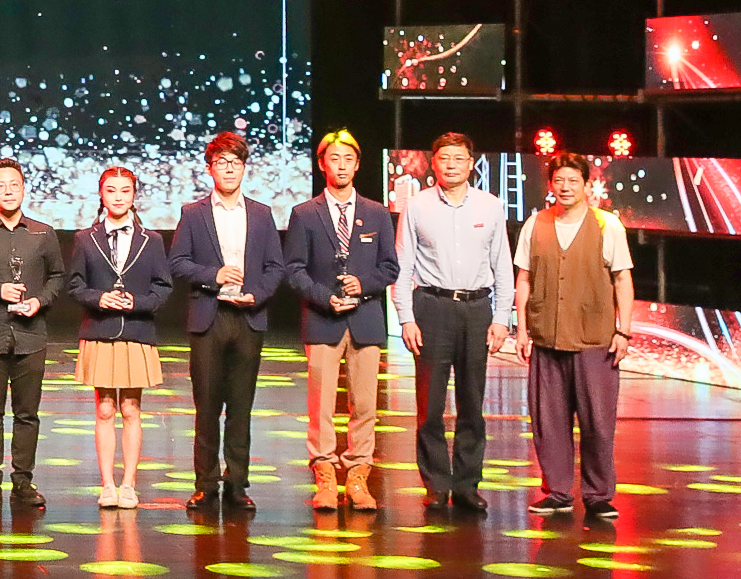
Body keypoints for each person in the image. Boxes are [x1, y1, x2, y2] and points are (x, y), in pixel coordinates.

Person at [393, 131, 514, 514]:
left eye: (459, 158)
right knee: (429, 405)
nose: (451, 165)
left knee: (472, 403)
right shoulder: (417, 206)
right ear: (433, 162)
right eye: (444, 158)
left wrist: (502, 318)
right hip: (432, 306)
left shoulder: (490, 206)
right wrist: (406, 318)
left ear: (471, 164)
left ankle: (466, 485)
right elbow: (403, 266)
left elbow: (503, 265)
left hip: (476, 308)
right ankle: (436, 485)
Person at [168, 131, 286, 513]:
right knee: (206, 408)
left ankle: (237, 484)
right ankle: (205, 484)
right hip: (210, 317)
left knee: (240, 407)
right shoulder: (194, 213)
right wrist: (213, 275)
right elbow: (177, 262)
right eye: (221, 162)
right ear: (210, 168)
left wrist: (258, 294)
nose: (229, 169)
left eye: (235, 162)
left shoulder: (262, 214)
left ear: (245, 168)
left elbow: (276, 267)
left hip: (248, 318)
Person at [282, 129, 399, 512]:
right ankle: (325, 475)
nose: (342, 166)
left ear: (358, 164)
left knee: (365, 404)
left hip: (365, 319)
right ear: (322, 164)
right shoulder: (304, 214)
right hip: (322, 320)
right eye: (334, 159)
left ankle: (359, 475)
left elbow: (390, 267)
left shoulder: (377, 213)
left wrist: (363, 285)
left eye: (348, 159)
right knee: (321, 405)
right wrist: (323, 297)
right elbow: (294, 270)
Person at [515, 154, 635, 523]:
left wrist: (624, 330)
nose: (565, 187)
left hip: (594, 340)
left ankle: (598, 495)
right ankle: (557, 492)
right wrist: (522, 328)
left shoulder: (607, 225)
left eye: (573, 181)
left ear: (585, 184)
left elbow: (622, 279)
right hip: (547, 339)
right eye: (559, 180)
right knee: (548, 421)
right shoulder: (535, 224)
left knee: (598, 422)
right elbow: (524, 279)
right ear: (550, 184)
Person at [0, 158, 65, 510]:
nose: (8, 191)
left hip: (31, 335)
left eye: (14, 185)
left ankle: (23, 481)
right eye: (0, 186)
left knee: (27, 414)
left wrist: (39, 301)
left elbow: (57, 276)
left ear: (23, 188)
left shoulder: (43, 233)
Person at [68, 166, 173, 509]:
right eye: (111, 190)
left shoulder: (151, 240)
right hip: (100, 330)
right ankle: (107, 485)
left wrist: (136, 303)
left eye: (124, 190)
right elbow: (75, 285)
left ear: (133, 195)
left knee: (130, 407)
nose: (118, 197)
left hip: (136, 331)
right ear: (101, 194)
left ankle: (129, 484)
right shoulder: (86, 238)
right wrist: (100, 298)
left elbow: (163, 287)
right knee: (104, 408)